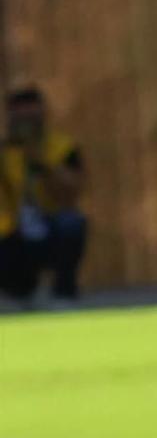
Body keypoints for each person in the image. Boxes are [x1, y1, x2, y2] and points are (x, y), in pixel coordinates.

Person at [0, 87, 87, 306]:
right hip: (13, 230)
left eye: (31, 117)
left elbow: (73, 192)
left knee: (73, 224)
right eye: (20, 118)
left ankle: (64, 294)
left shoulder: (61, 147)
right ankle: (20, 290)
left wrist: (41, 162)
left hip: (50, 225)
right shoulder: (5, 152)